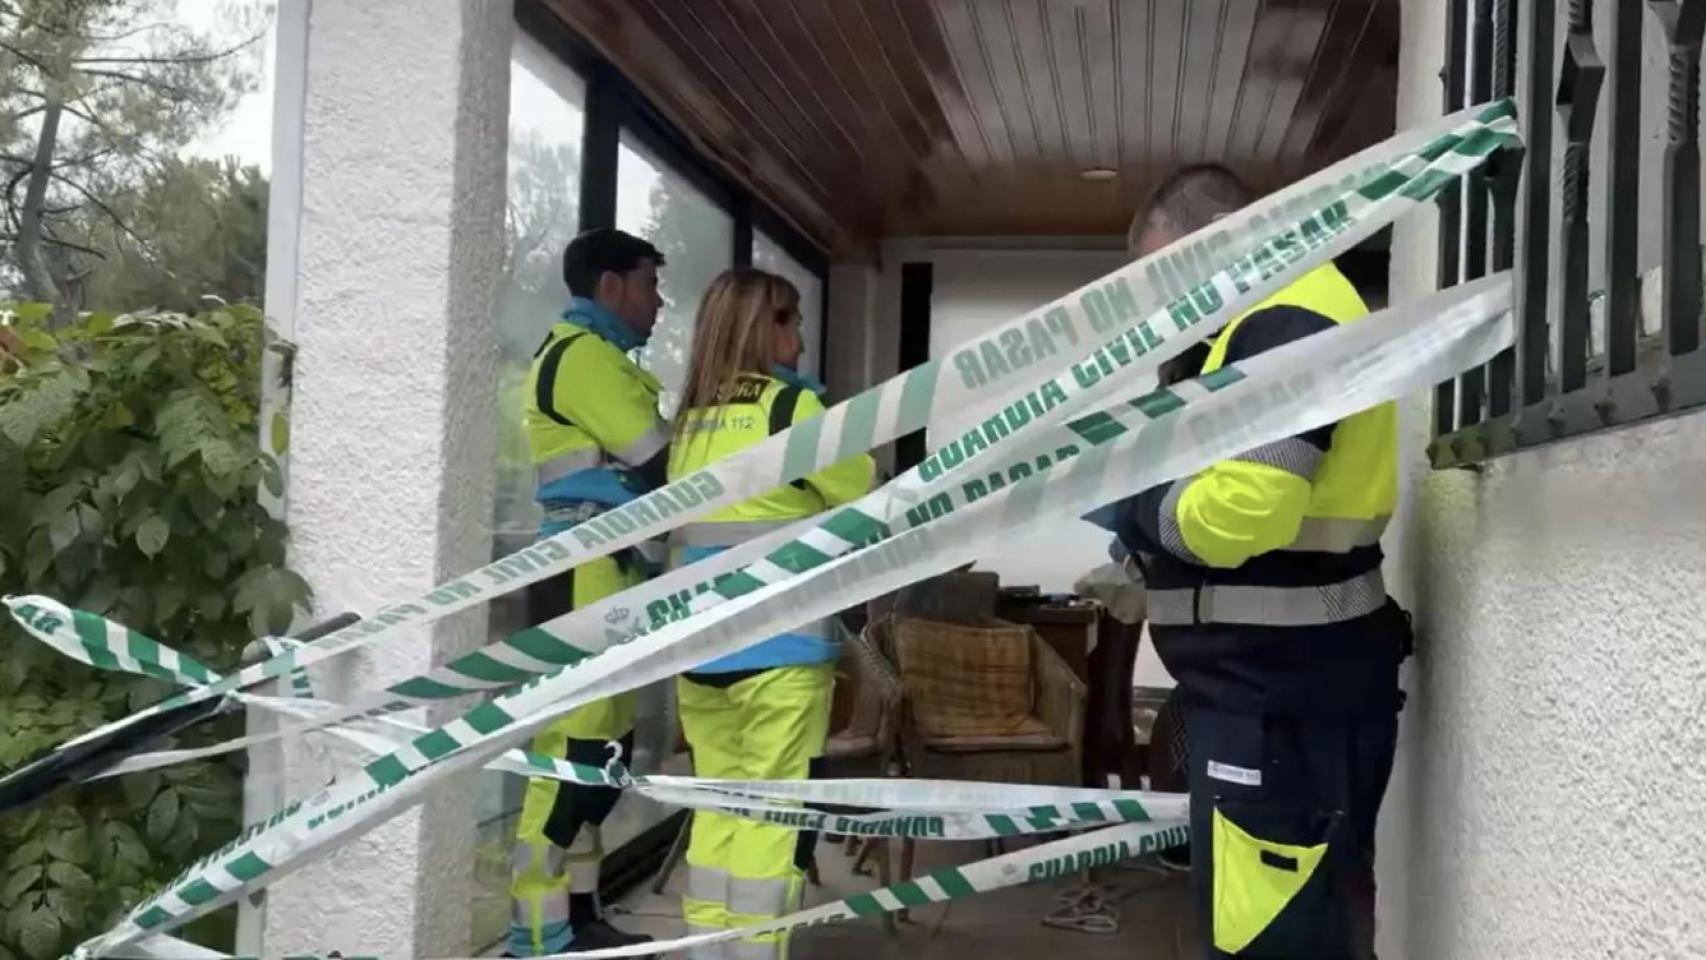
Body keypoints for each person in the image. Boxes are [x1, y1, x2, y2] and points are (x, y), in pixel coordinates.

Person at [1108, 165, 1409, 959]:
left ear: (1214, 243)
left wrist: (1135, 504)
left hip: (1285, 702)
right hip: (1278, 697)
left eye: (1163, 280)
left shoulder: (1290, 320)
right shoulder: (1261, 328)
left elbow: (1246, 508)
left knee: (1275, 938)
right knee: (1279, 926)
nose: (1164, 313)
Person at [666, 269, 874, 960]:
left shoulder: (688, 421)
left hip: (699, 654)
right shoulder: (790, 410)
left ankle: (706, 951)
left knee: (718, 811)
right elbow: (862, 488)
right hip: (779, 651)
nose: (801, 337)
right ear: (766, 326)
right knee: (769, 823)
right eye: (792, 320)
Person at [508, 227, 671, 957]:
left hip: (609, 569)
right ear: (610, 286)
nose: (658, 300)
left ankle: (579, 915)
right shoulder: (581, 359)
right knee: (567, 759)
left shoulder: (601, 357)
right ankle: (537, 938)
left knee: (603, 752)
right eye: (648, 284)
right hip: (579, 573)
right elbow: (659, 457)